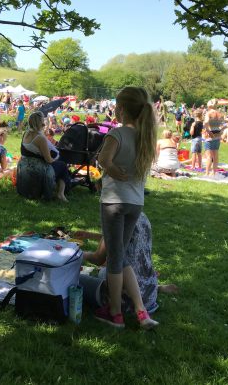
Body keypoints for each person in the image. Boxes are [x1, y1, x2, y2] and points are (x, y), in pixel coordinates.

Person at [95, 86, 158, 329]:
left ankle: (115, 313)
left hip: (114, 202)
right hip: (135, 203)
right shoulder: (146, 137)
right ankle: (141, 312)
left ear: (121, 109)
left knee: (114, 258)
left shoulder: (117, 134)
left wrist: (111, 171)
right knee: (121, 256)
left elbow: (103, 159)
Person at [81, 213, 179, 313]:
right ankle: (156, 288)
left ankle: (115, 308)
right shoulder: (141, 216)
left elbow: (98, 259)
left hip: (126, 301)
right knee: (104, 271)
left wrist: (76, 252)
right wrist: (90, 235)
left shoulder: (115, 219)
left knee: (78, 280)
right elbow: (123, 237)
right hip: (149, 294)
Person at [19, 111, 71, 202]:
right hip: (38, 168)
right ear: (40, 122)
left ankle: (58, 189)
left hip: (24, 165)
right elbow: (48, 160)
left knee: (59, 165)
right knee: (62, 165)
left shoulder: (26, 133)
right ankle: (60, 194)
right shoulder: (40, 138)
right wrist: (55, 158)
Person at [203, 99, 225, 176]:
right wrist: (221, 131)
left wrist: (208, 131)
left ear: (210, 105)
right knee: (215, 155)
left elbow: (206, 123)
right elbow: (225, 124)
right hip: (217, 135)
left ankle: (207, 173)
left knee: (209, 156)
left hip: (210, 135)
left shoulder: (208, 113)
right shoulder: (220, 113)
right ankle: (214, 172)